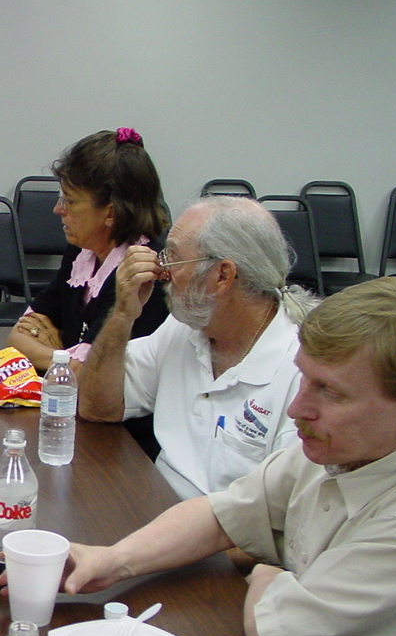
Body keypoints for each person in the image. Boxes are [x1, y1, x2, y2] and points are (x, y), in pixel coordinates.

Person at [37, 278, 396, 636]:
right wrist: (112, 559)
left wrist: (268, 571)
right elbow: (222, 515)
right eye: (304, 380)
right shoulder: (345, 446)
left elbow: (277, 633)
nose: (297, 409)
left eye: (329, 391)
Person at [78, 194, 319, 500]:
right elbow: (97, 408)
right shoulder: (186, 326)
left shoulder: (303, 370)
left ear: (222, 275)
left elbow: (283, 513)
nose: (161, 270)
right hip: (156, 503)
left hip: (222, 528)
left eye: (172, 257)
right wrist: (123, 315)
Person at [8, 128, 170, 373]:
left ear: (111, 212)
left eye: (69, 200)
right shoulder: (80, 253)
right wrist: (65, 359)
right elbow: (18, 338)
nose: (58, 209)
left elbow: (95, 372)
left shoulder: (143, 272)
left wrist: (56, 353)